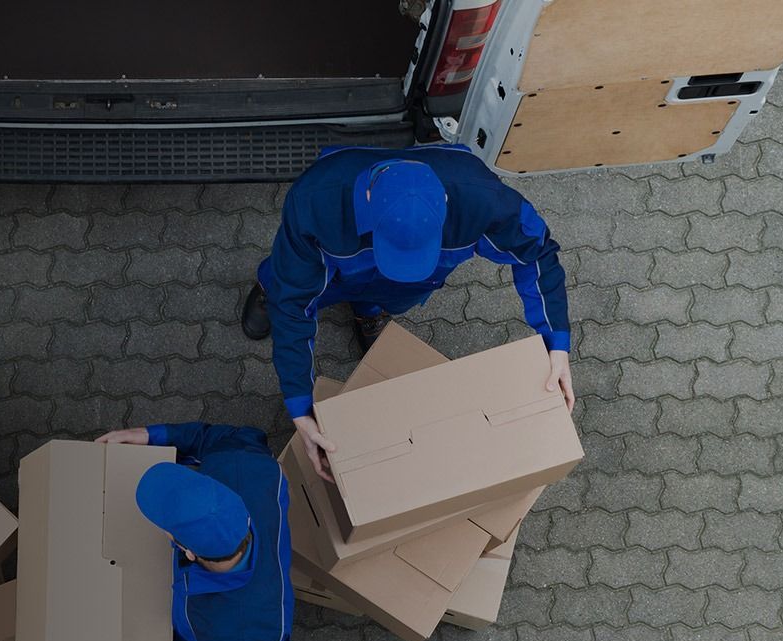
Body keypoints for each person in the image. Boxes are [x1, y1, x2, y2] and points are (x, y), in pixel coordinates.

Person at [240, 143, 576, 482]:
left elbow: (536, 254)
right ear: (368, 199)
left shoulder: (483, 198)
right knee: (287, 284)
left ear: (445, 202)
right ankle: (268, 289)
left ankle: (369, 308)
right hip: (335, 267)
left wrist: (556, 342)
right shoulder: (314, 202)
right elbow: (296, 303)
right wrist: (299, 403)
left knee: (394, 295)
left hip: (413, 284)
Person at [84, 422, 291, 641]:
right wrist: (152, 436)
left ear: (187, 551)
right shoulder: (243, 465)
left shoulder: (238, 639)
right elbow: (228, 435)